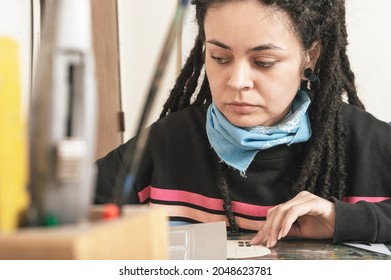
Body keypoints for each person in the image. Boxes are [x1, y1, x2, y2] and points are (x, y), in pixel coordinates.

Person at [95, 0, 391, 248]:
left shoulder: (367, 143)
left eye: (263, 62)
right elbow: (59, 211)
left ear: (309, 56)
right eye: (220, 57)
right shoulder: (167, 143)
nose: (237, 82)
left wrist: (346, 220)